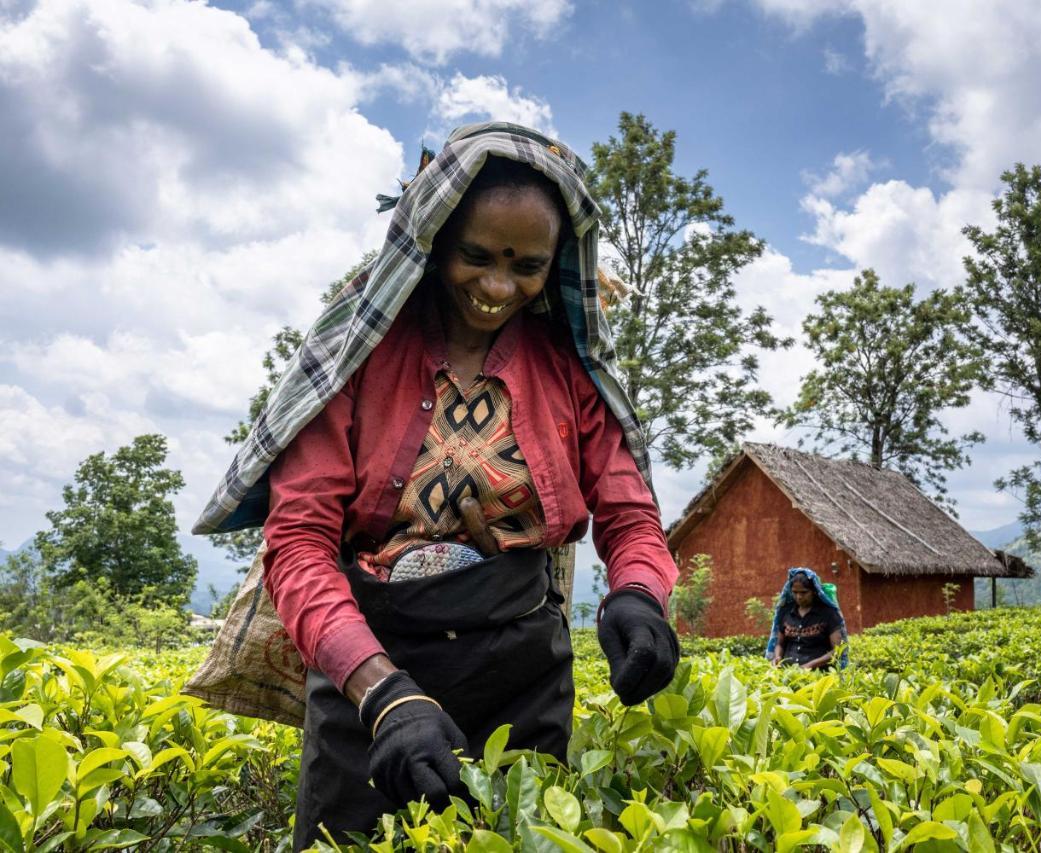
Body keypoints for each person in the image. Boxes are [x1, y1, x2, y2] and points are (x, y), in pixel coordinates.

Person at [191, 123, 680, 850]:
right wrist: (384, 695)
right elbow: (297, 544)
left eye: (526, 265)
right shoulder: (359, 359)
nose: (496, 286)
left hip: (520, 674)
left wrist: (639, 596)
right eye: (476, 256)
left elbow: (631, 514)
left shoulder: (569, 370)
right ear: (434, 240)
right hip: (371, 671)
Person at [765, 568, 847, 670]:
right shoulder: (786, 613)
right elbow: (780, 644)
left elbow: (837, 650)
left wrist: (811, 665)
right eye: (795, 592)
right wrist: (778, 657)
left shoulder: (828, 614)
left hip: (818, 675)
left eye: (803, 592)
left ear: (814, 591)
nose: (799, 597)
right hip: (788, 673)